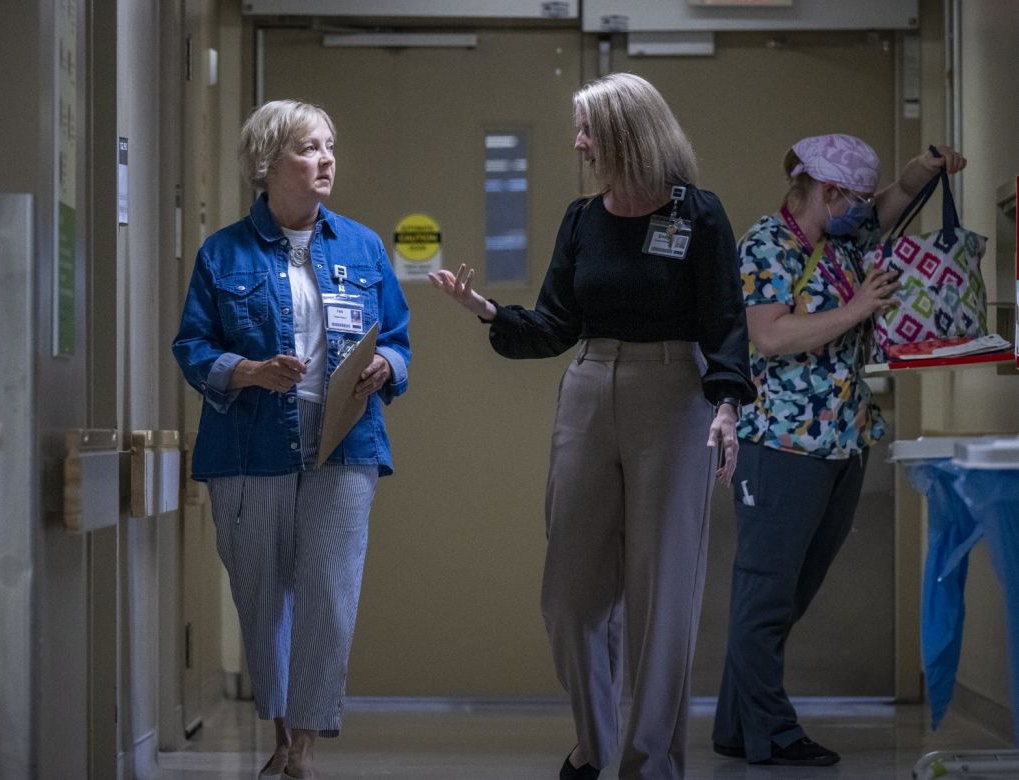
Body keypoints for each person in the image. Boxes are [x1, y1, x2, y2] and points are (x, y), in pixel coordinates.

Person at [429, 72, 754, 780]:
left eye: (588, 132)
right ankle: (596, 748)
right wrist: (490, 312)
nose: (578, 144)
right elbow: (554, 324)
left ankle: (647, 765)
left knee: (660, 597)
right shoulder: (583, 219)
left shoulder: (697, 213)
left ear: (628, 135)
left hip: (676, 396)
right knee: (571, 598)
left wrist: (728, 406)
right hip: (587, 387)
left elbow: (726, 319)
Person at [171, 99, 411, 780]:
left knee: (329, 597)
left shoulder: (363, 247)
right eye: (309, 148)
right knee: (263, 597)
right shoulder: (223, 252)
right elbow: (190, 346)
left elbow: (397, 338)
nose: (326, 159)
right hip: (248, 450)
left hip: (345, 443)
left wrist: (386, 365)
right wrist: (247, 371)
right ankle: (281, 730)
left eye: (330, 146)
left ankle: (301, 747)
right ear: (267, 162)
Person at [712, 135, 967, 767]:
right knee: (767, 593)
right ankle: (774, 732)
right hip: (780, 445)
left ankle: (736, 725)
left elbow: (898, 195)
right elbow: (768, 337)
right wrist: (856, 310)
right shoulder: (766, 244)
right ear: (826, 192)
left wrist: (926, 168)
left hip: (842, 443)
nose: (864, 208)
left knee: (787, 596)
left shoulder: (845, 239)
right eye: (853, 197)